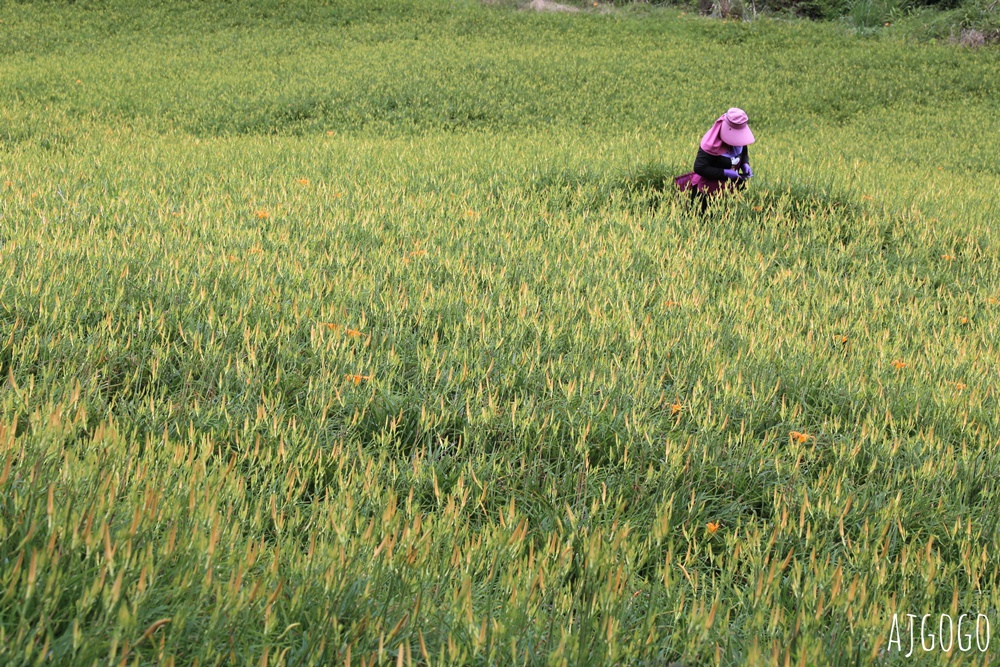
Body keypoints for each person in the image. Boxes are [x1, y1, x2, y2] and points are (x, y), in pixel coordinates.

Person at [675, 108, 755, 210]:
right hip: (706, 193)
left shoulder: (740, 141)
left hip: (728, 191)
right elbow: (699, 168)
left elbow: (743, 152)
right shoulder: (710, 144)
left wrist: (745, 163)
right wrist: (725, 173)